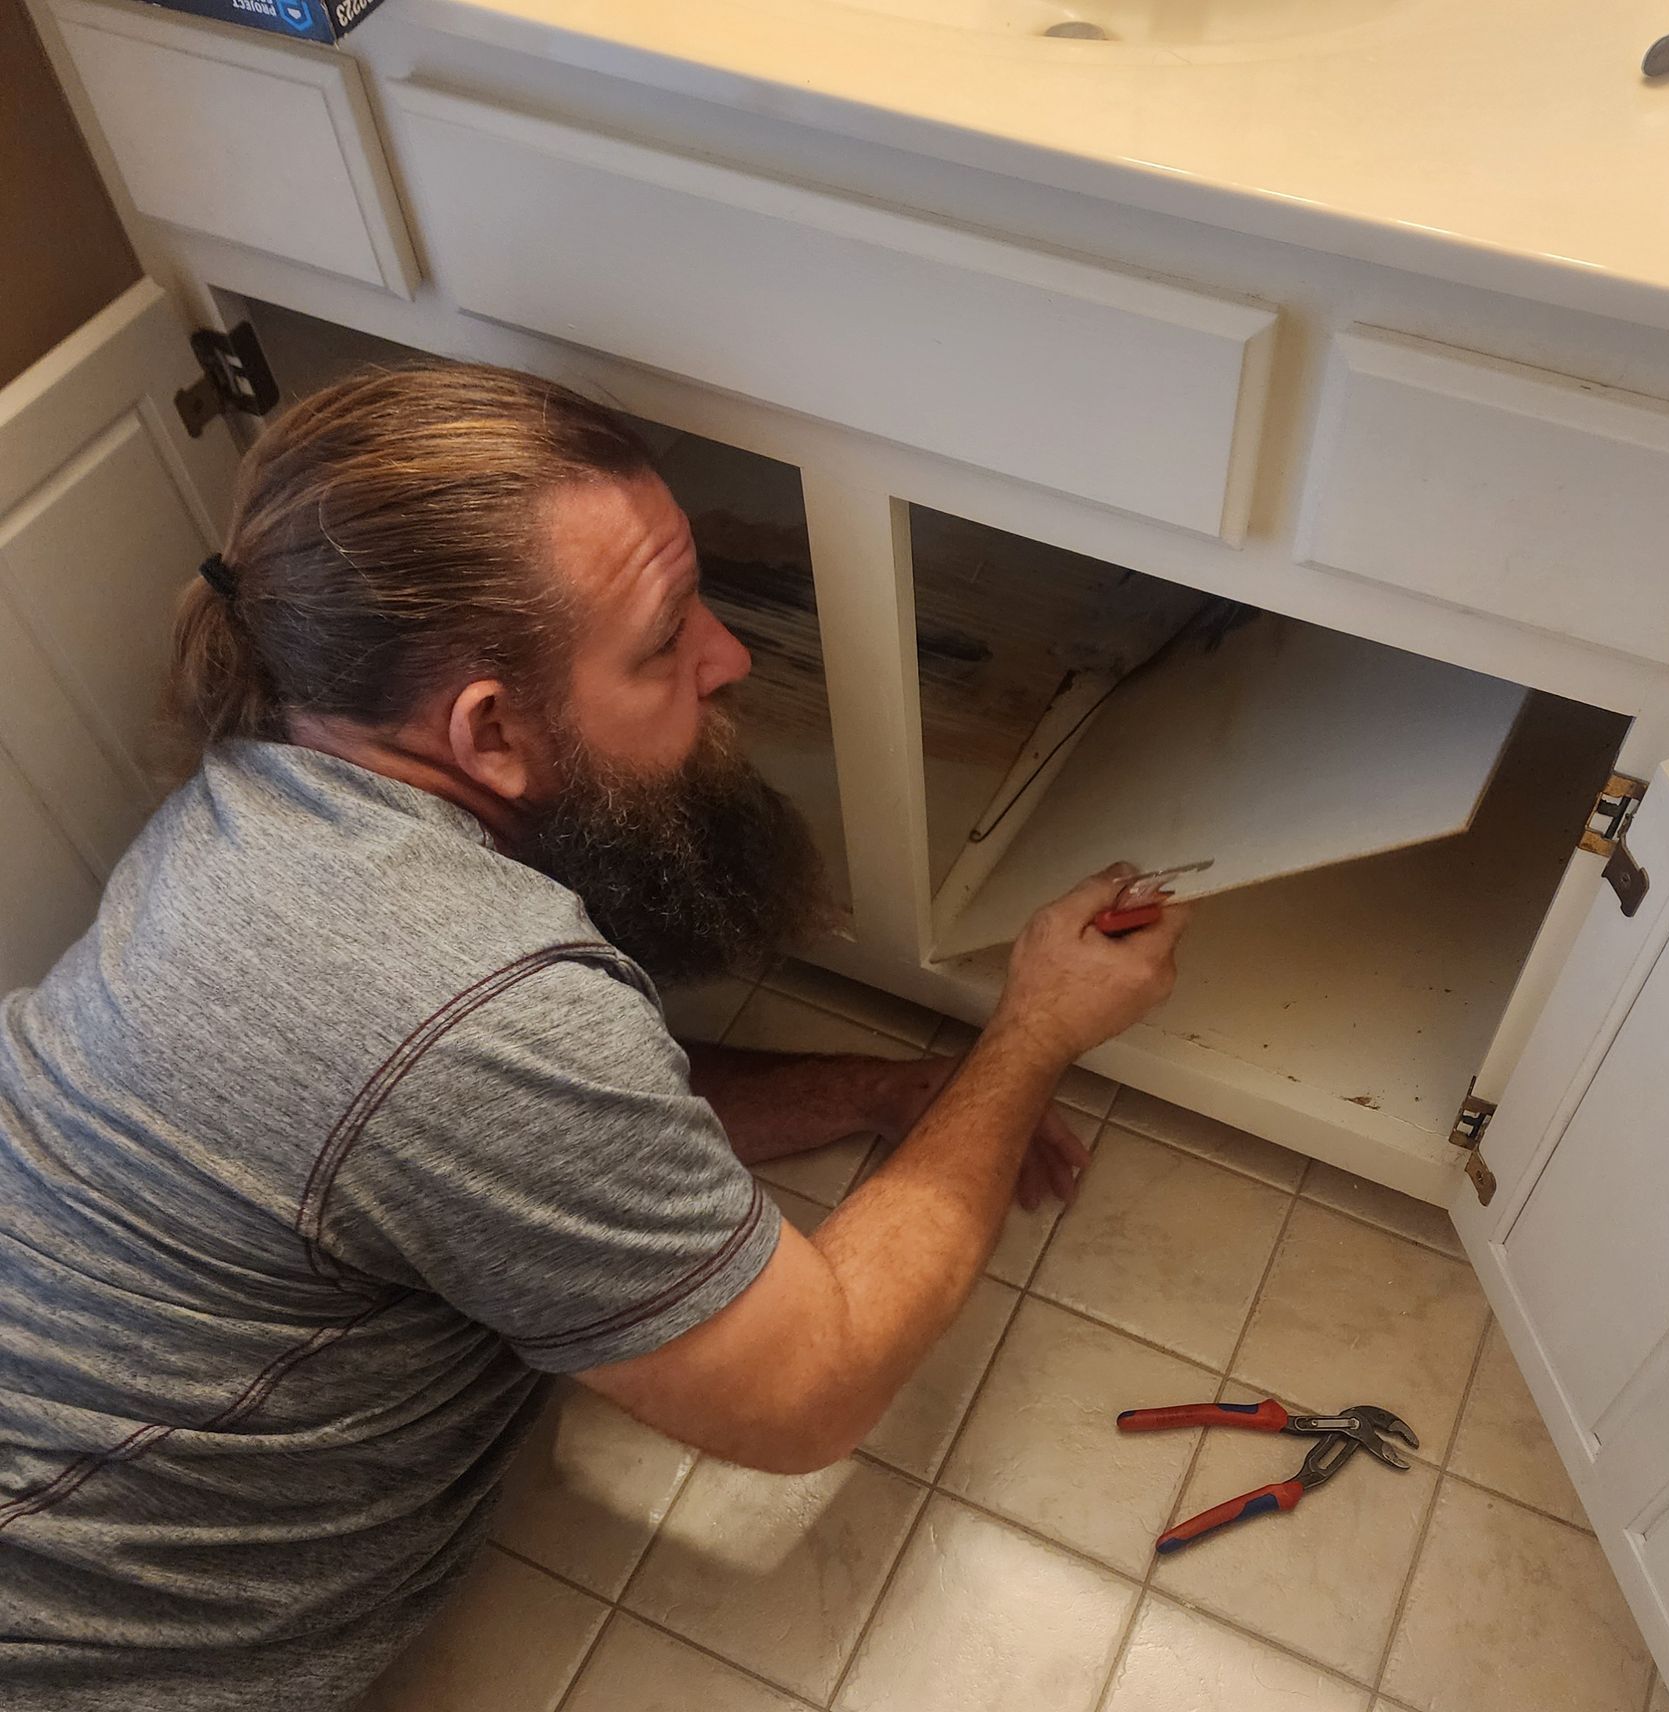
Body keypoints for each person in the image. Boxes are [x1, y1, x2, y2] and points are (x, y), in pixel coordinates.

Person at [0, 362, 1186, 1709]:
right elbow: (815, 1387)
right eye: (667, 635)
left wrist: (883, 1091)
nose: (728, 658)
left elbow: (519, 1145)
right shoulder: (472, 1007)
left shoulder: (250, 813)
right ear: (490, 732)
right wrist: (1028, 1037)